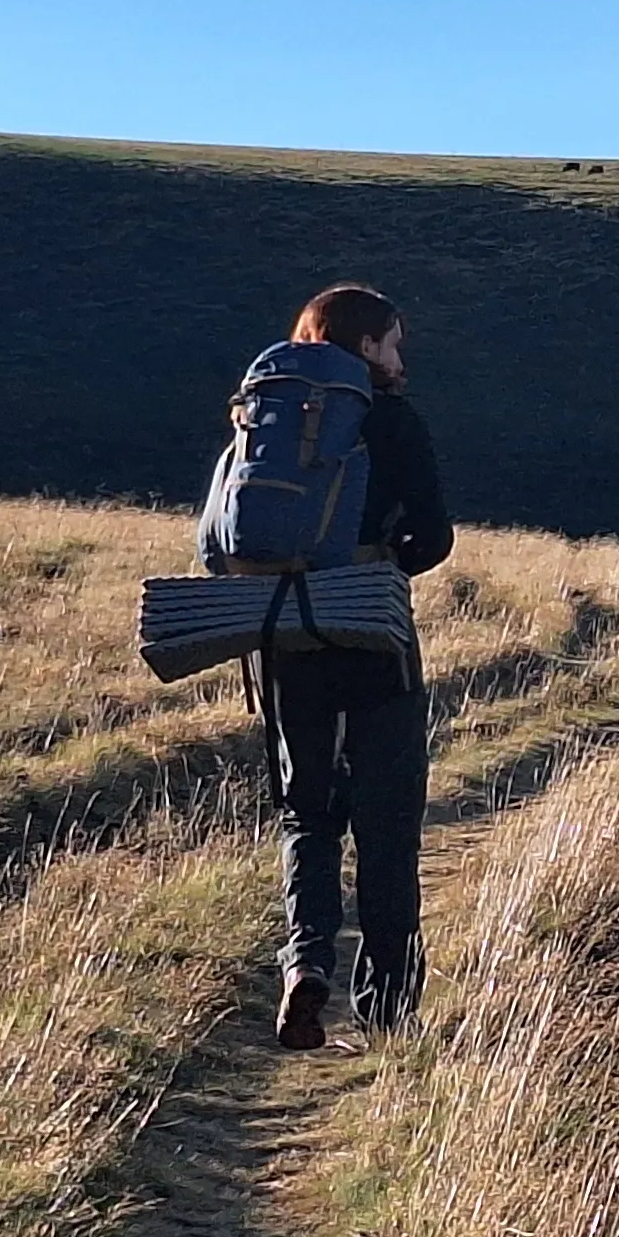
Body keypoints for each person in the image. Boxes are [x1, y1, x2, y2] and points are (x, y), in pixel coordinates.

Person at [245, 285, 451, 1051]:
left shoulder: (266, 409)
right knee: (388, 823)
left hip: (286, 632)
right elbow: (433, 537)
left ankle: (305, 964)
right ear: (365, 346)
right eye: (392, 344)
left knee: (307, 811)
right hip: (370, 629)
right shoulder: (390, 419)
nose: (399, 360)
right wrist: (380, 567)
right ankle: (388, 1010)